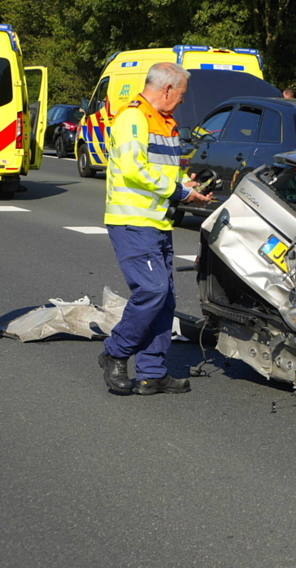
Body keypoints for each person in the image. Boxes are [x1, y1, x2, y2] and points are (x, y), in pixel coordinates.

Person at [98, 62, 212, 395]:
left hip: (157, 221)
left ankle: (152, 372)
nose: (181, 101)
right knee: (152, 291)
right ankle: (115, 353)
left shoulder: (165, 122)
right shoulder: (134, 118)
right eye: (180, 95)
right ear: (166, 90)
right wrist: (179, 191)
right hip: (133, 221)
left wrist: (187, 184)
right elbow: (135, 170)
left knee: (164, 299)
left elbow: (161, 170)